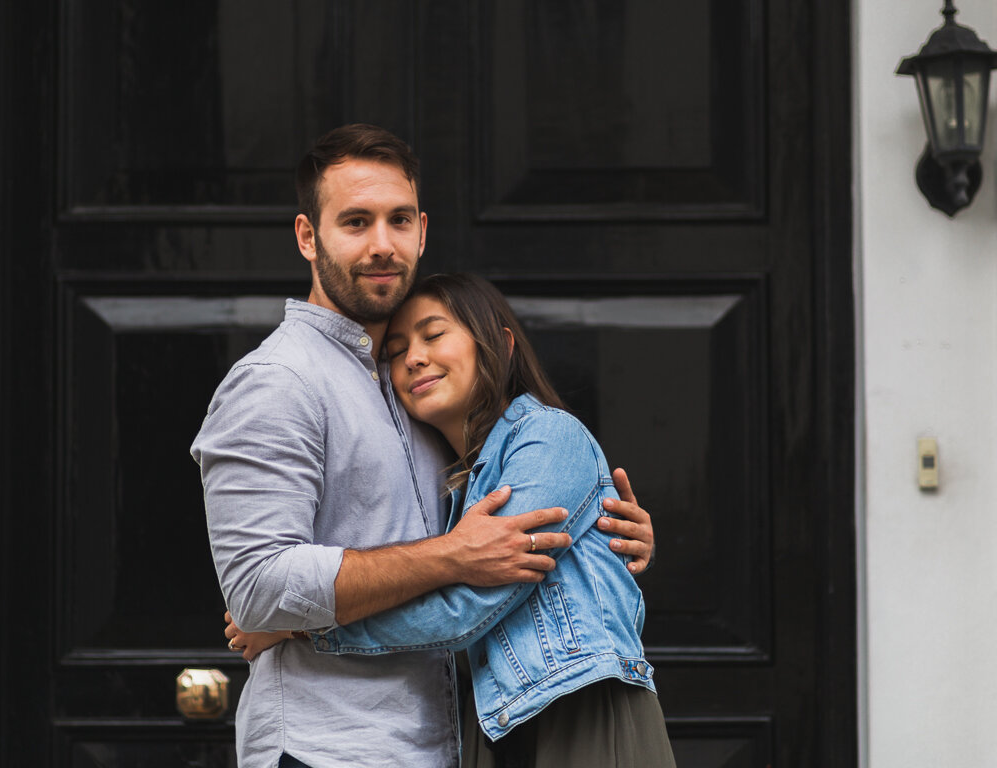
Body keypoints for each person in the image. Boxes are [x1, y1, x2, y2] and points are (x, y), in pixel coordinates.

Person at [191, 124, 655, 768]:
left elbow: (508, 560)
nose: (382, 245)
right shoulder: (278, 383)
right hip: (329, 750)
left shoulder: (420, 392)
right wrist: (450, 555)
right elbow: (259, 589)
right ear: (307, 236)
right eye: (355, 222)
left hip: (449, 746)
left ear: (422, 230)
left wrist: (604, 535)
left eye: (398, 220)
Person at [231, 274, 675, 767]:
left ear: (501, 346)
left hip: (579, 711)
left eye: (433, 334)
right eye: (396, 351)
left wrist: (306, 631)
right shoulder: (452, 486)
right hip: (497, 727)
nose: (413, 358)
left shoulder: (548, 435)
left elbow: (469, 605)